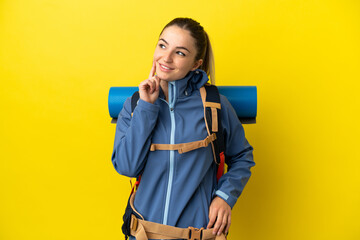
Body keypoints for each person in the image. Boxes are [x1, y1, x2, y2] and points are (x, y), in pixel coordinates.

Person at [111, 17, 255, 239]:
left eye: (180, 52)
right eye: (162, 45)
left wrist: (224, 197)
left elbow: (243, 156)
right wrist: (146, 108)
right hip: (142, 234)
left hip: (198, 233)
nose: (165, 58)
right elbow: (127, 167)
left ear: (196, 63)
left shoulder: (215, 105)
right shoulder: (134, 105)